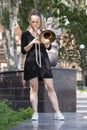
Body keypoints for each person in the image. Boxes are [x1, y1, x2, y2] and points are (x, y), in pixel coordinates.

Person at [21, 8, 64, 121]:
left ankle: (58, 112)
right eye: (33, 21)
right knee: (34, 87)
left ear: (40, 22)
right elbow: (23, 50)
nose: (35, 24)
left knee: (50, 86)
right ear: (30, 21)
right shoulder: (25, 34)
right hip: (31, 62)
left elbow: (49, 47)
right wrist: (32, 42)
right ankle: (35, 113)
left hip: (44, 61)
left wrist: (42, 38)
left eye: (37, 22)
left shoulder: (44, 32)